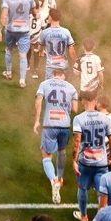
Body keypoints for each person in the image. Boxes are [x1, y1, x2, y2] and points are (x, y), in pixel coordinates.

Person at [71, 93, 111, 221]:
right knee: (102, 192)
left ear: (84, 101)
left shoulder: (79, 119)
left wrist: (74, 161)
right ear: (95, 100)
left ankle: (84, 216)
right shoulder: (105, 118)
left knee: (82, 188)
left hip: (85, 162)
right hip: (102, 163)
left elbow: (77, 142)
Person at [34, 64, 78, 204]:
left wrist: (36, 121)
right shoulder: (71, 87)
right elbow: (75, 109)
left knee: (46, 154)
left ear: (53, 74)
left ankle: (54, 181)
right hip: (65, 125)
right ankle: (59, 177)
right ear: (63, 75)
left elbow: (38, 101)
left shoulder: (45, 84)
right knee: (61, 151)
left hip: (50, 124)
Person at [0, 0, 34, 88]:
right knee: (23, 55)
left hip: (11, 29)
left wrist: (0, 30)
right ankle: (22, 80)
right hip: (24, 30)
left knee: (9, 50)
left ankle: (8, 73)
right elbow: (33, 11)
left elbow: (4, 16)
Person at [29, 0, 58, 80]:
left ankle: (35, 68)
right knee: (36, 43)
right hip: (45, 21)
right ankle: (41, 51)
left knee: (36, 45)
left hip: (42, 20)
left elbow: (43, 11)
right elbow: (54, 8)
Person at [39, 9, 73, 82]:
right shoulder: (66, 32)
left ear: (50, 17)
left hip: (51, 66)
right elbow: (71, 48)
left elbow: (40, 47)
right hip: (63, 66)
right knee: (64, 88)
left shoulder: (45, 32)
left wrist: (41, 52)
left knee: (49, 87)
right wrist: (76, 61)